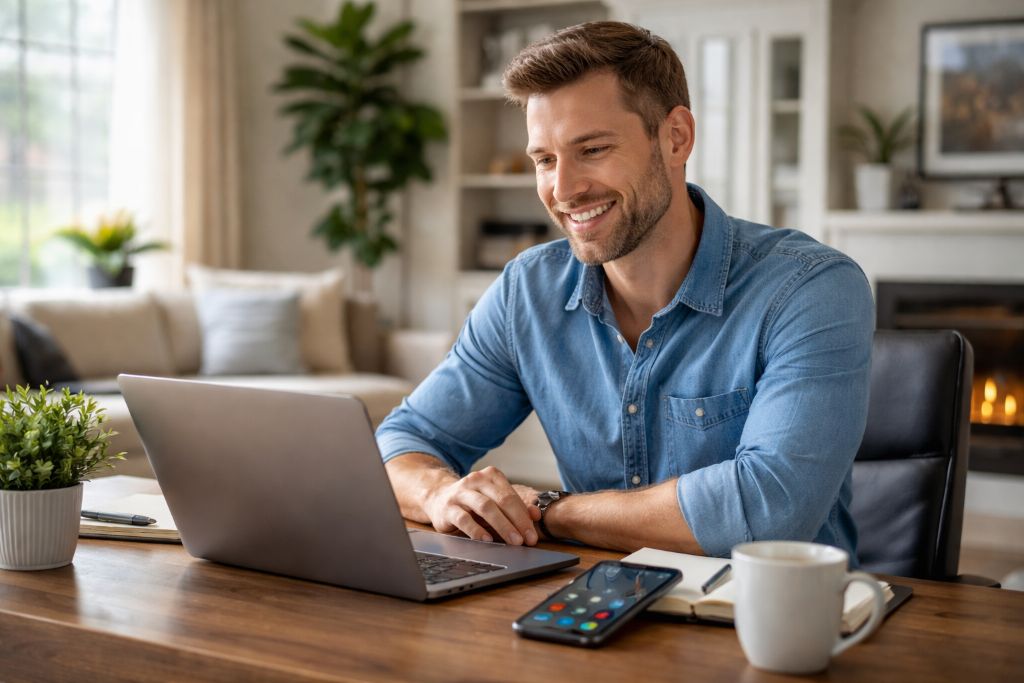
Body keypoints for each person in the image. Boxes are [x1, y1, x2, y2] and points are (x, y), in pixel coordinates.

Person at [377, 21, 874, 558]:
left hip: (770, 625)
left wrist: (548, 510)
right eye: (544, 159)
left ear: (676, 137)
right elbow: (400, 444)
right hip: (595, 611)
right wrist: (442, 496)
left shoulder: (810, 288)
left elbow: (770, 509)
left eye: (591, 149)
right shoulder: (528, 291)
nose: (562, 190)